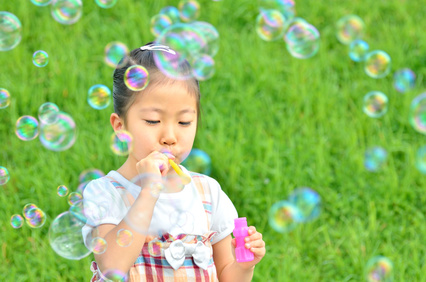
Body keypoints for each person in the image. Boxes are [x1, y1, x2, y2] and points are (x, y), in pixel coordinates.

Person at [82, 42, 266, 281]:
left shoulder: (208, 194)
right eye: (152, 121)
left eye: (184, 122)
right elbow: (112, 266)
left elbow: (225, 275)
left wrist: (244, 267)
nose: (169, 137)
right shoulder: (107, 193)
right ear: (120, 126)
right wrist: (149, 191)